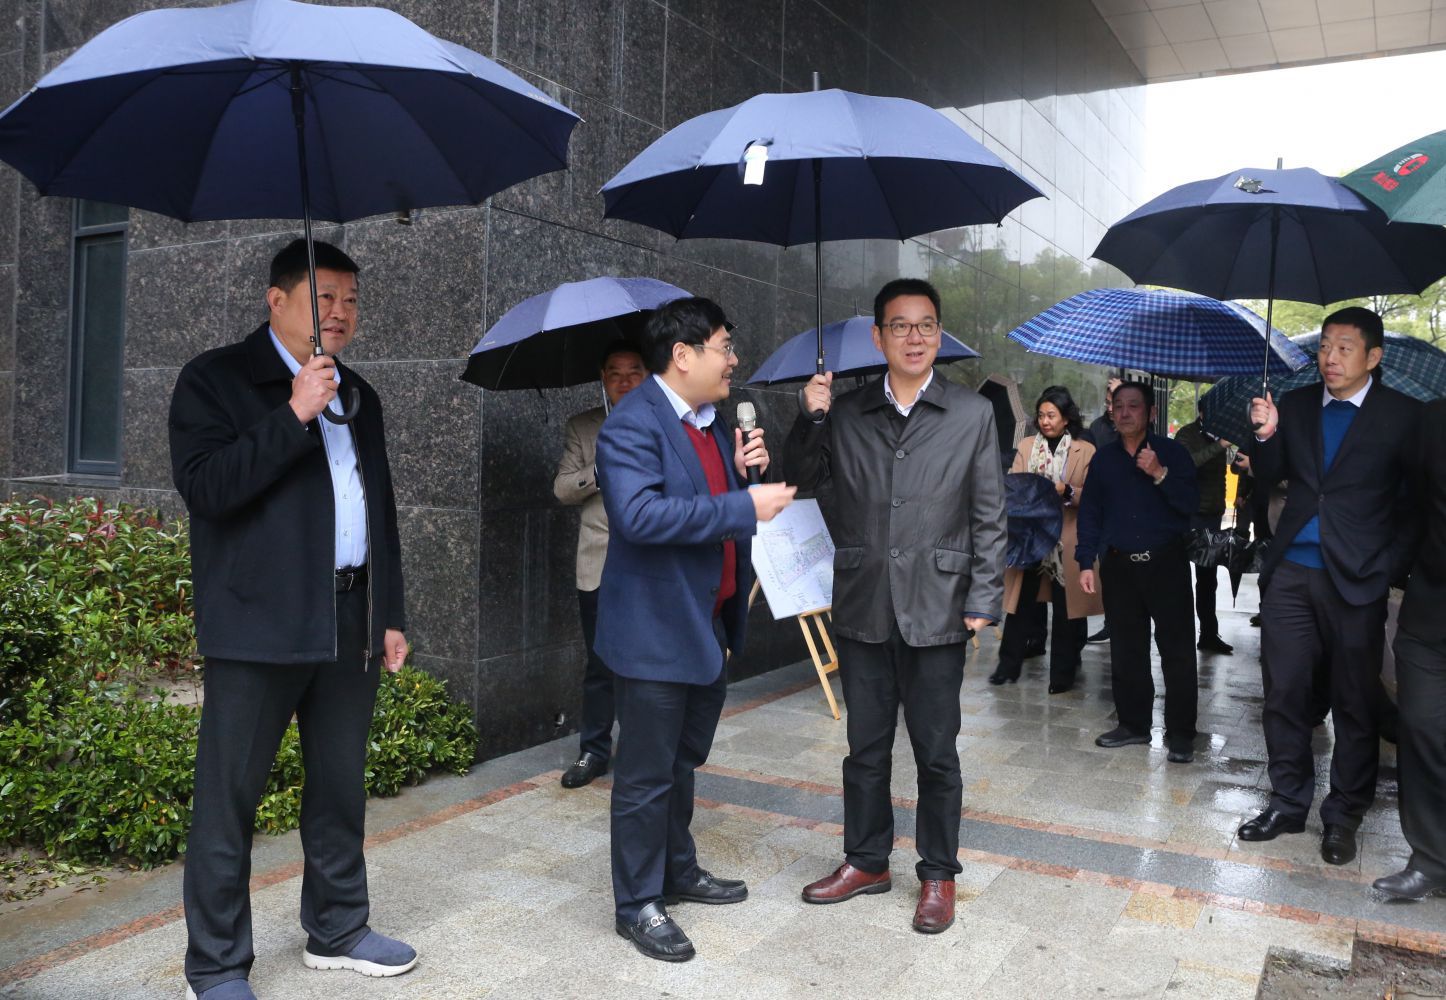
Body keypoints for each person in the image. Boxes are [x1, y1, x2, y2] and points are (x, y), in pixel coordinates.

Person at [169, 240, 415, 1000]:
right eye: (324, 297)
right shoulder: (215, 379)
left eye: (351, 299)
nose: (341, 312)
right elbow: (208, 489)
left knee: (339, 784)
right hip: (258, 622)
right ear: (276, 301)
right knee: (229, 797)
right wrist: (293, 413)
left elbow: (378, 508)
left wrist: (389, 611)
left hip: (349, 617)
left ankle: (338, 928)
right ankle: (216, 965)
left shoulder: (359, 392)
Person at [788, 278, 1006, 935]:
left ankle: (938, 873)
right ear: (878, 337)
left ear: (939, 334)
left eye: (926, 325)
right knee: (865, 748)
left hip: (939, 605)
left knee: (937, 752)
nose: (915, 337)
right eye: (901, 325)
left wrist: (984, 596)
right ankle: (866, 861)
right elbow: (798, 481)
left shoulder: (971, 413)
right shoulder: (847, 412)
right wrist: (810, 417)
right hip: (863, 599)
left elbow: (989, 512)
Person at [594, 297, 795, 962]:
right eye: (724, 346)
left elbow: (708, 504)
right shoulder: (632, 423)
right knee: (645, 776)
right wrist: (742, 503)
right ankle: (636, 904)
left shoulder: (711, 425)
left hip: (705, 623)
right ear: (683, 355)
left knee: (681, 764)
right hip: (654, 632)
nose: (733, 359)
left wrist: (743, 475)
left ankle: (677, 871)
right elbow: (640, 517)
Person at [1239, 307, 1421, 867]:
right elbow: (1268, 475)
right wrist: (1266, 434)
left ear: (1373, 356)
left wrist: (1387, 568)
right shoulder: (1294, 405)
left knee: (1354, 701)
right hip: (1291, 573)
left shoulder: (1403, 416)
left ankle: (1343, 814)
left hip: (1358, 578)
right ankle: (1287, 802)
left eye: (1344, 347)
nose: (1330, 357)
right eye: (1324, 346)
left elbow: (1414, 505)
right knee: (1285, 693)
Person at [1075, 381, 1200, 763]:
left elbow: (1190, 505)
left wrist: (1160, 474)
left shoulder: (1172, 453)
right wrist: (1085, 561)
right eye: (1119, 406)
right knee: (1127, 650)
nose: (1125, 413)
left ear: (1151, 413)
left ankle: (1181, 734)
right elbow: (1090, 512)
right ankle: (1133, 724)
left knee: (1177, 651)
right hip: (1119, 565)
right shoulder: (1104, 459)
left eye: (1134, 406)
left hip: (1166, 564)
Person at [553, 341, 648, 789]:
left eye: (634, 372)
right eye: (615, 373)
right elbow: (562, 488)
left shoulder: (664, 423)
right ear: (603, 378)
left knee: (646, 662)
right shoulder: (583, 426)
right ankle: (594, 750)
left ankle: (641, 748)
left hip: (651, 564)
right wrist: (598, 470)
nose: (625, 381)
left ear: (648, 376)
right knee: (600, 662)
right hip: (599, 565)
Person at [1375, 396, 1446, 901]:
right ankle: (1431, 860)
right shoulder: (1434, 420)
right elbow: (1412, 503)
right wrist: (1388, 572)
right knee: (1420, 727)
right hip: (1430, 608)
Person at [991, 385, 1101, 693]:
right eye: (1041, 415)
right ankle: (1007, 666)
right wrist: (1031, 493)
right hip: (1031, 537)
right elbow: (1013, 486)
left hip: (1066, 538)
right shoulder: (1027, 446)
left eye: (1051, 415)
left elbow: (1094, 496)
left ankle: (1062, 676)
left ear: (1066, 418)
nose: (1045, 421)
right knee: (1020, 606)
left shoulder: (1084, 450)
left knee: (1067, 610)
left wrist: (1067, 491)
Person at [1173, 412, 1234, 655]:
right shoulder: (1186, 435)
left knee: (1208, 579)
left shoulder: (1220, 437)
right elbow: (1187, 464)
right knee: (1179, 578)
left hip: (1212, 516)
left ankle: (1208, 634)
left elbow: (1221, 478)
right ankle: (1179, 634)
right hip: (1189, 515)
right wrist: (1219, 445)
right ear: (1202, 413)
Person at [1085, 378, 1122, 644]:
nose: (1110, 408)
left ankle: (1126, 621)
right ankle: (1111, 622)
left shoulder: (1132, 426)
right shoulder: (1097, 427)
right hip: (1103, 506)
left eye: (1115, 402)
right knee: (1107, 568)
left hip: (1128, 508)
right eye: (1108, 402)